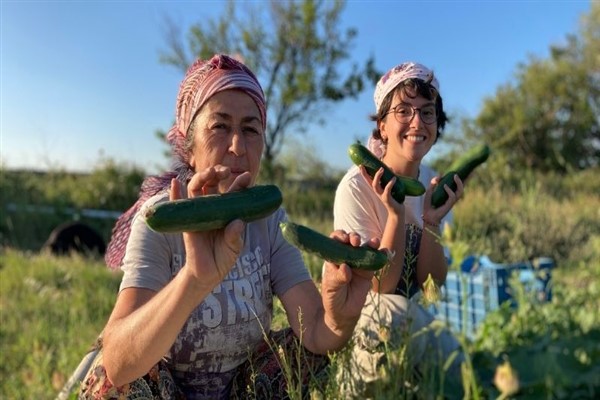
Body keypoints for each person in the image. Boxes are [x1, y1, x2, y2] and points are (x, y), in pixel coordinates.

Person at [78, 54, 376, 399]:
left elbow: (315, 334)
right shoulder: (160, 219)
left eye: (251, 130)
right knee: (112, 387)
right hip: (168, 391)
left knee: (306, 356)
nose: (237, 146)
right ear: (190, 149)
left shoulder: (270, 221)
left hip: (242, 390)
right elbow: (118, 364)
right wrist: (195, 279)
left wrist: (339, 319)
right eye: (220, 127)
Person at [332, 62, 465, 395]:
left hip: (415, 318)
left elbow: (430, 287)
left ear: (437, 124)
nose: (417, 122)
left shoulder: (434, 184)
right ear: (383, 126)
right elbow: (379, 288)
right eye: (403, 111)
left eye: (427, 112)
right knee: (395, 318)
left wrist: (431, 221)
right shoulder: (355, 187)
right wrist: (396, 216)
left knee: (460, 370)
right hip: (369, 318)